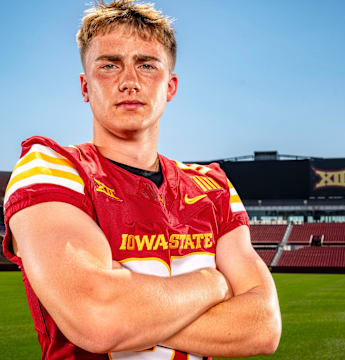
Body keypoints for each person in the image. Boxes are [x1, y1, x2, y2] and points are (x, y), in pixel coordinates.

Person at [2, 1, 281, 359]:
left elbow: (264, 327)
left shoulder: (213, 186)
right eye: (109, 65)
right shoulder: (52, 167)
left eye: (147, 65)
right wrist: (213, 283)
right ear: (85, 87)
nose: (130, 82)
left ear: (170, 86)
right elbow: (99, 318)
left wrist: (133, 311)